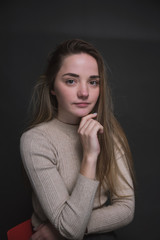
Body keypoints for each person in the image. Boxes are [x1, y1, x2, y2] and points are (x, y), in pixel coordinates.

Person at [20, 39, 135, 240]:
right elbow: (71, 230)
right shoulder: (36, 140)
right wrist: (90, 156)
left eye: (93, 82)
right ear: (53, 87)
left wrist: (57, 229)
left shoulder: (109, 133)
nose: (84, 93)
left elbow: (126, 207)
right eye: (71, 81)